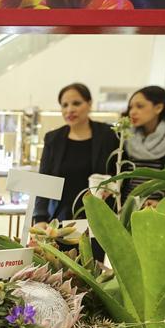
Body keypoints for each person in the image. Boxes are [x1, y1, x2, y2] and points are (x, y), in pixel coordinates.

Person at [33, 83, 119, 223]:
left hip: (100, 217)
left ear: (89, 104)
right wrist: (40, 218)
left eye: (76, 103)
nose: (70, 110)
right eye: (64, 105)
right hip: (61, 218)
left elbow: (120, 173)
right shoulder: (53, 139)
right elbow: (44, 179)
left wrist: (112, 187)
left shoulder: (108, 135)